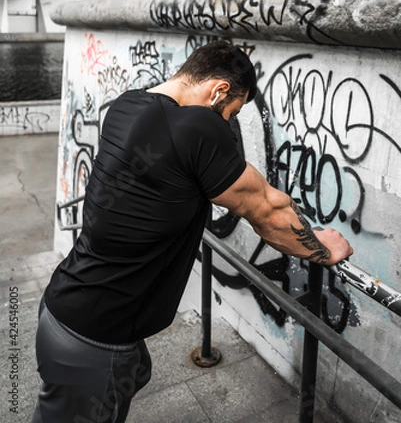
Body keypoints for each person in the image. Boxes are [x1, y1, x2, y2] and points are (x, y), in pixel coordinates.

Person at [31, 40, 353, 423]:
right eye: (230, 114)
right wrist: (322, 249)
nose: (226, 125)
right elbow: (268, 211)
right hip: (92, 339)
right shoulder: (197, 126)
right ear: (218, 90)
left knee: (135, 371)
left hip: (64, 307)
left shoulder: (127, 105)